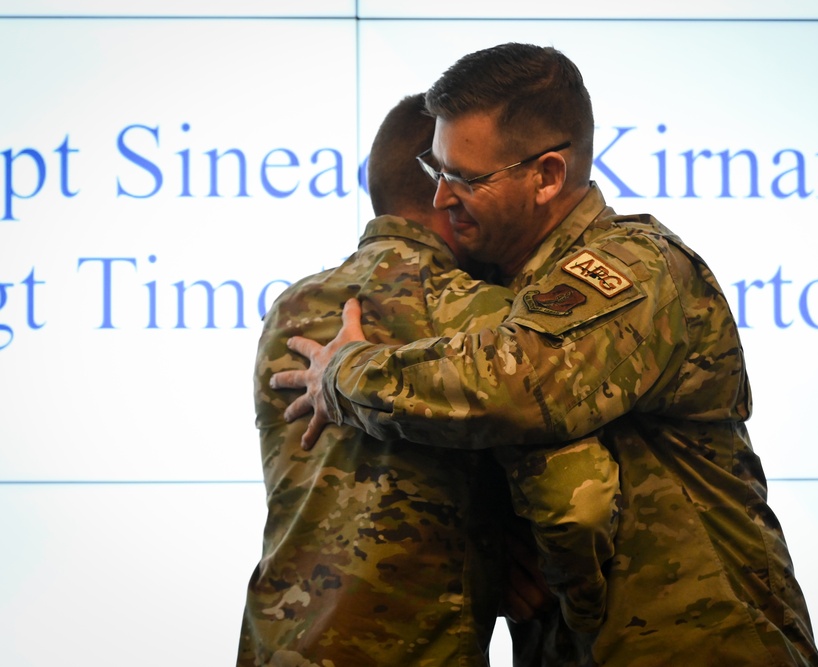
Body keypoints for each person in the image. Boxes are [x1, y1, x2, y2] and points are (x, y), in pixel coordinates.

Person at [274, 43, 818, 666]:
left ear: (548, 176)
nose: (441, 201)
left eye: (466, 179)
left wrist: (344, 375)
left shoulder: (634, 268)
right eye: (437, 171)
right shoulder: (508, 289)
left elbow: (514, 385)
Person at [238, 92, 620, 667]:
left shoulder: (291, 310)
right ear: (451, 194)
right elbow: (576, 502)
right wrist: (569, 595)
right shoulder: (487, 314)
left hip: (277, 645)